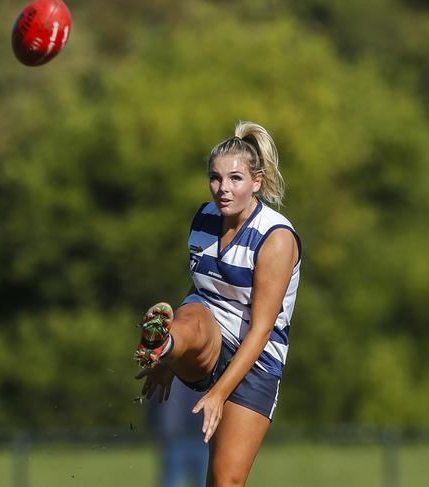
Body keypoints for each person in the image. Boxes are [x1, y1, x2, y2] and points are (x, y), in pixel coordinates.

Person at [134, 121, 301, 487]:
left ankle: (171, 343)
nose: (223, 189)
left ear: (256, 182)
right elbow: (200, 288)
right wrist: (170, 358)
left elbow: (261, 330)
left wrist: (219, 393)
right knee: (192, 312)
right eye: (215, 178)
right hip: (208, 329)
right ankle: (165, 342)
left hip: (256, 356)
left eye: (235, 179)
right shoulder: (205, 218)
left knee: (225, 481)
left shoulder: (275, 237)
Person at [147, 377, 208, 487]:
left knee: (205, 482)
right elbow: (153, 403)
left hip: (203, 439)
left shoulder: (208, 370)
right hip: (174, 438)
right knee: (170, 481)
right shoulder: (169, 371)